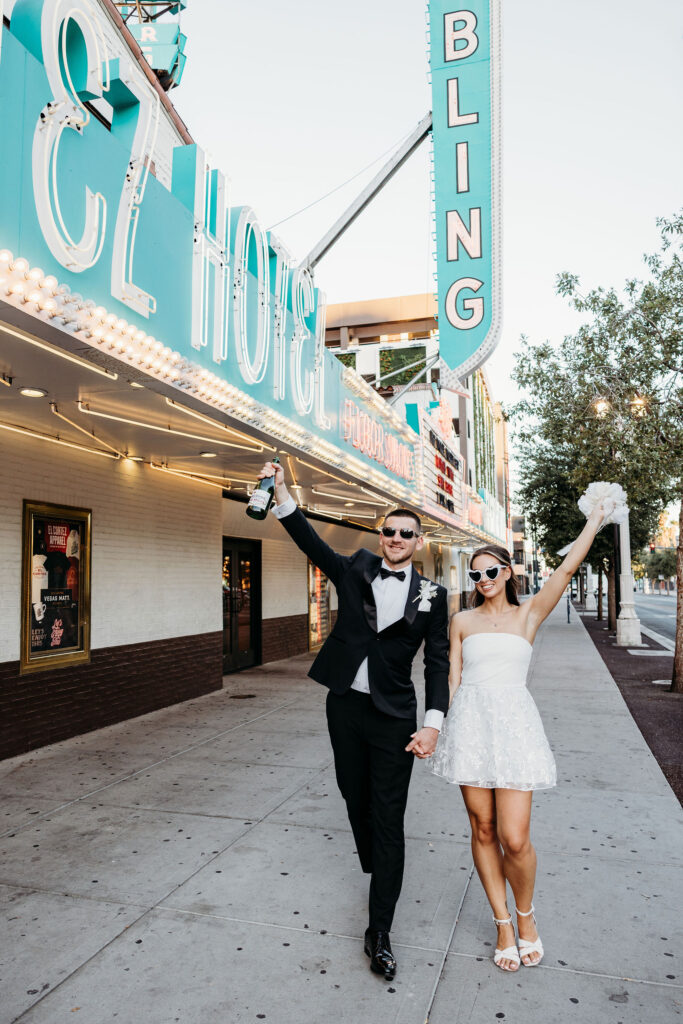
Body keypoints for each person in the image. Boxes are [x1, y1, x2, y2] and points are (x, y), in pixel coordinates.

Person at [259, 460, 449, 980]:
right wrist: (281, 492)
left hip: (394, 718)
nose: (395, 538)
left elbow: (436, 663)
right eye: (388, 531)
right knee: (352, 793)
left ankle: (380, 931)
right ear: (380, 535)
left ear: (418, 539)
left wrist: (432, 722)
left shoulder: (434, 596)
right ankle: (376, 858)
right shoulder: (357, 567)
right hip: (343, 705)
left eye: (405, 533)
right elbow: (310, 544)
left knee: (389, 819)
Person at [430, 502, 607, 972]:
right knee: (482, 829)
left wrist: (595, 518)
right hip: (470, 727)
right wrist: (440, 729)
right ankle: (503, 924)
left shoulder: (529, 614)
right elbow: (453, 678)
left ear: (507, 572)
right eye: (475, 574)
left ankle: (526, 916)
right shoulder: (461, 622)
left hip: (514, 729)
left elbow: (567, 569)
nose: (483, 578)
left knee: (515, 837)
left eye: (491, 570)